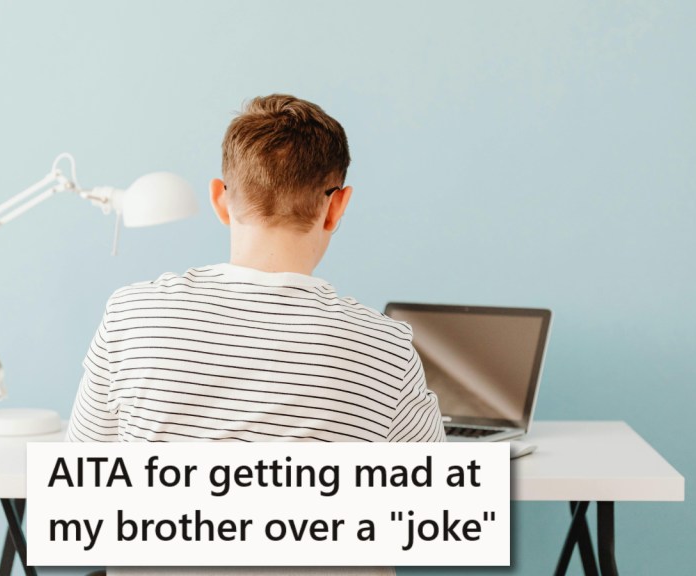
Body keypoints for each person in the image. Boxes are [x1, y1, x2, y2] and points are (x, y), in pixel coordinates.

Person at [66, 94, 443, 574]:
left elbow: (84, 487)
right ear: (337, 207)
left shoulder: (131, 315)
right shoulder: (383, 346)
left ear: (221, 200)